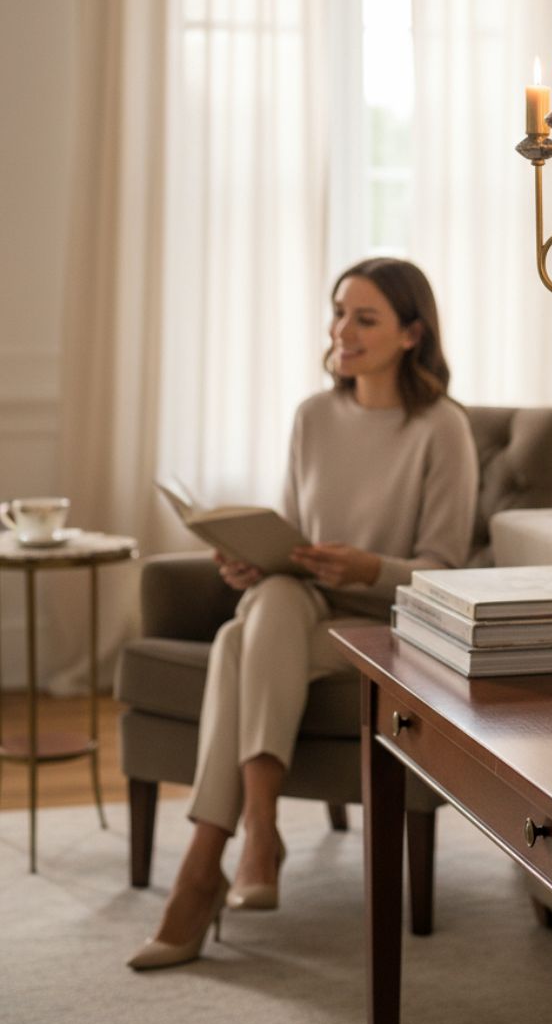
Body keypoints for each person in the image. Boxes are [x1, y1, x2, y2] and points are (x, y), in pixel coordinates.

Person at [128, 257, 479, 970]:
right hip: (301, 608)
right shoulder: (312, 416)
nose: (341, 330)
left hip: (389, 627)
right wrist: (252, 559)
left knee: (237, 641)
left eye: (364, 317)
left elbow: (447, 573)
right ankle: (256, 834)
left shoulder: (442, 429)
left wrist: (369, 569)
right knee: (271, 599)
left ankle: (208, 866)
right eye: (339, 311)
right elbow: (291, 532)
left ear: (412, 334)